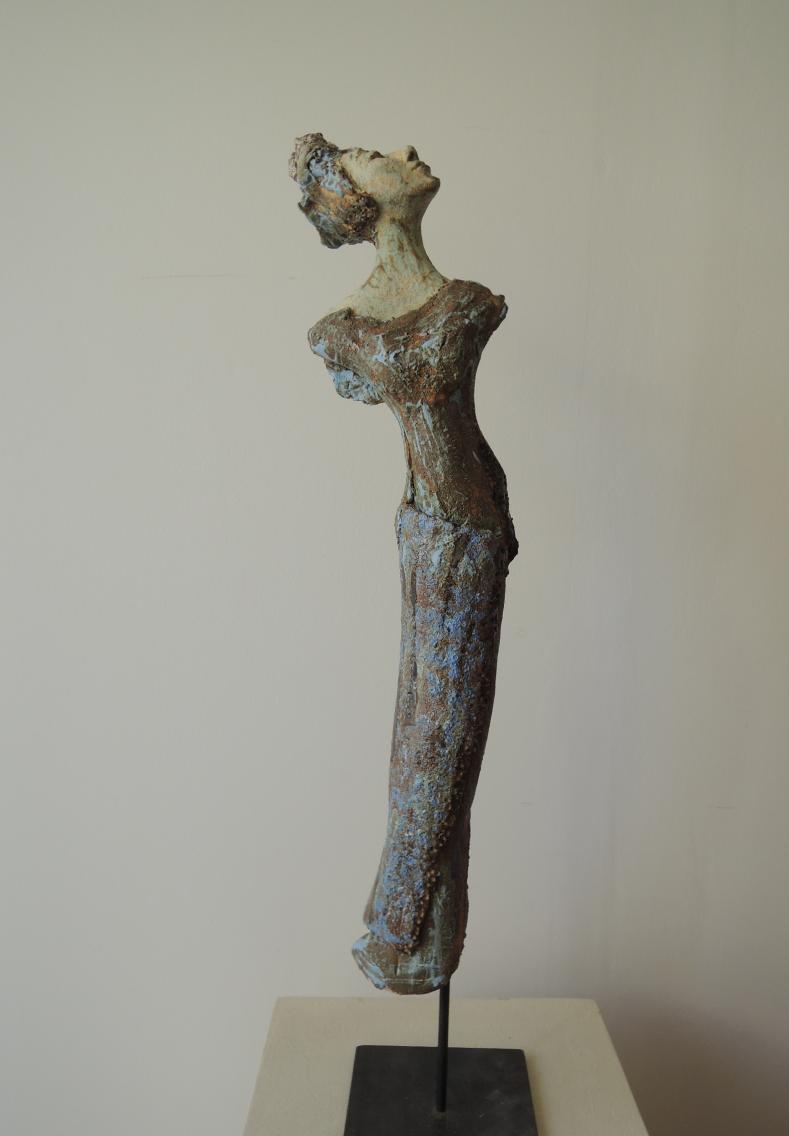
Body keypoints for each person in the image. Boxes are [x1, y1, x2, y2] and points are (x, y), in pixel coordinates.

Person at [291, 133, 518, 993]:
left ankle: (409, 935)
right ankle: (402, 936)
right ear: (358, 201)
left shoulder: (466, 304)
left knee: (448, 736)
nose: (406, 151)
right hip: (429, 525)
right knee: (423, 731)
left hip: (470, 526)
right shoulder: (341, 330)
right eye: (371, 156)